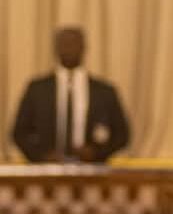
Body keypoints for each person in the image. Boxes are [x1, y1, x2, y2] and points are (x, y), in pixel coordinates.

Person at [10, 27, 131, 163]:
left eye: (74, 43)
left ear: (84, 47)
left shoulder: (104, 91)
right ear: (55, 48)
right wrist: (41, 157)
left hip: (92, 173)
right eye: (64, 44)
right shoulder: (37, 89)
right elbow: (19, 133)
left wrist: (97, 153)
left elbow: (122, 135)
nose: (68, 48)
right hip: (46, 173)